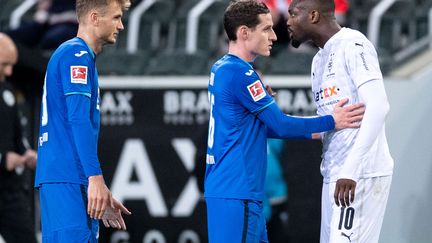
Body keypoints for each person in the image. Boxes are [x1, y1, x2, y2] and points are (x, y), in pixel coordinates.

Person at [204, 1, 365, 242]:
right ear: (245, 32)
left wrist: (311, 132)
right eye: (266, 29)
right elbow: (280, 123)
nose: (273, 35)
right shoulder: (241, 74)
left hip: (232, 190)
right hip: (238, 191)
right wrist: (331, 120)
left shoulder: (221, 68)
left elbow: (248, 127)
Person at [287, 0, 394, 242]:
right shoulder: (318, 60)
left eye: (294, 14)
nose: (287, 20)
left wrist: (351, 168)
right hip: (335, 174)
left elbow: (378, 107)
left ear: (313, 15)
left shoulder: (354, 44)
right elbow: (332, 122)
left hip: (359, 174)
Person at [35, 0, 132, 242]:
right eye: (116, 17)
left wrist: (96, 185)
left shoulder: (79, 56)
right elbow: (78, 119)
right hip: (67, 176)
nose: (120, 25)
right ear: (95, 18)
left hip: (69, 175)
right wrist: (95, 178)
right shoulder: (75, 55)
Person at [0, 32, 38, 243]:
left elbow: (17, 134)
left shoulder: (7, 91)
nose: (9, 71)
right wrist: (3, 158)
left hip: (9, 191)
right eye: (4, 64)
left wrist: (26, 153)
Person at [8, 0, 78, 50]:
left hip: (69, 25)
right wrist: (42, 8)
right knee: (25, 32)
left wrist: (53, 18)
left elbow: (78, 17)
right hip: (48, 21)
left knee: (52, 37)